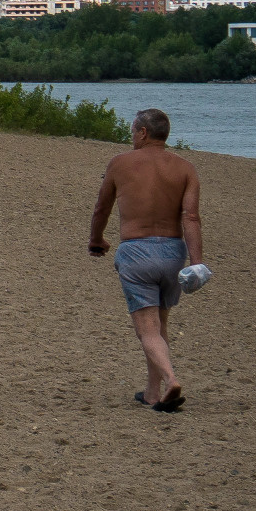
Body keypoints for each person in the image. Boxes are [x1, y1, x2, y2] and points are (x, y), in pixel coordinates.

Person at [88, 108, 204, 412]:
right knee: (160, 325)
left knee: (147, 330)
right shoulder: (186, 168)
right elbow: (191, 217)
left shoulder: (121, 164)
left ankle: (170, 379)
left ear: (142, 133)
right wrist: (197, 262)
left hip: (137, 252)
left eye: (132, 131)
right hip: (172, 253)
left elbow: (102, 208)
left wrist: (96, 240)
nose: (131, 137)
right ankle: (153, 394)